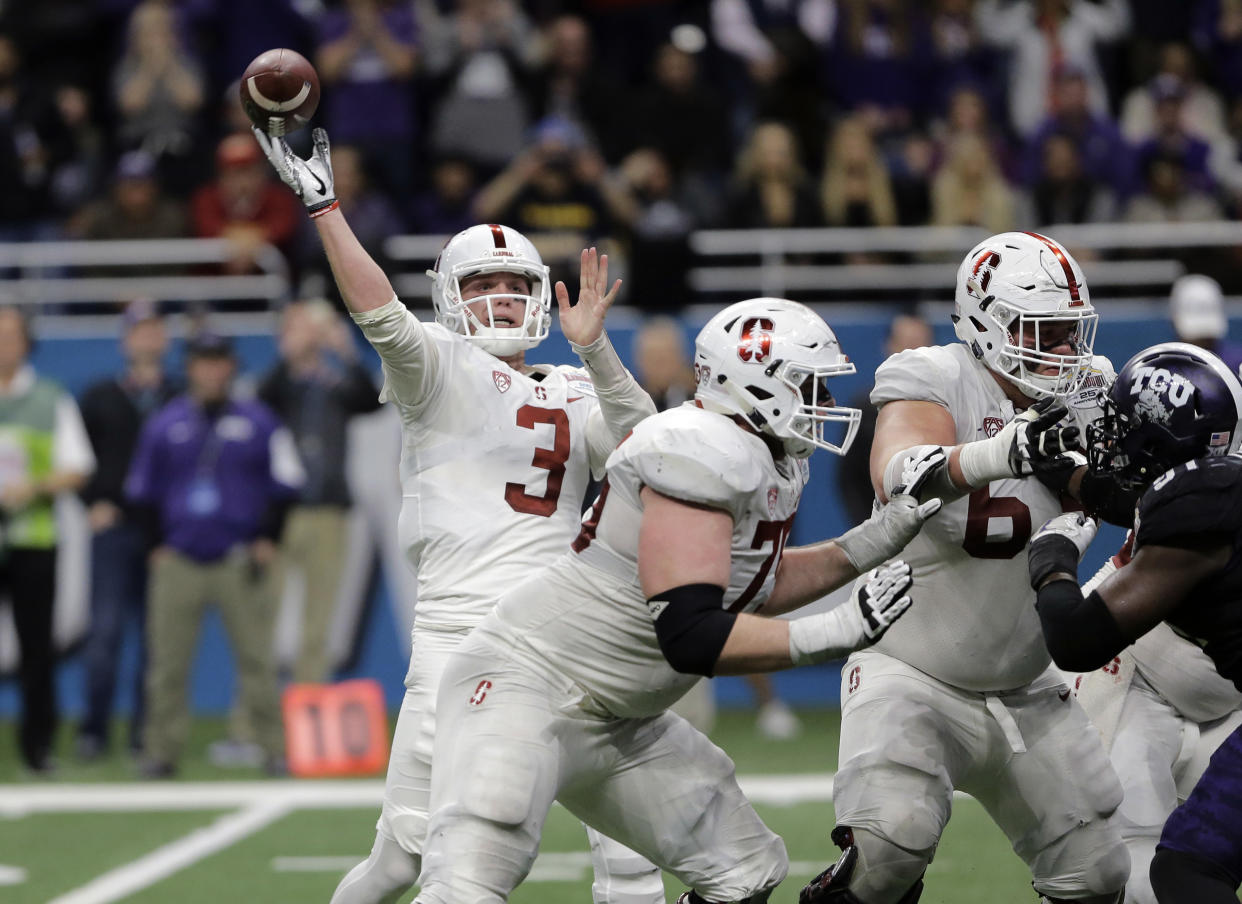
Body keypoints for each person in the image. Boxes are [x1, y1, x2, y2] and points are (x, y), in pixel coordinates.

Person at [410, 297, 944, 904]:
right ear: (757, 384)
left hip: (618, 718)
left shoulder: (759, 456)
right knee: (470, 884)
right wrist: (841, 628)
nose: (821, 399)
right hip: (527, 685)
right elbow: (692, 632)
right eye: (807, 383)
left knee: (744, 871)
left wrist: (863, 546)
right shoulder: (696, 449)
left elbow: (752, 586)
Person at [253, 124, 666, 904]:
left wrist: (599, 352)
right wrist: (325, 210)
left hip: (567, 634)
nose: (499, 296)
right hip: (460, 636)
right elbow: (376, 310)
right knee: (403, 858)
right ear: (450, 296)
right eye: (479, 285)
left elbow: (648, 447)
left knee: (631, 849)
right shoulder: (436, 367)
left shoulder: (579, 385)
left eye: (512, 282)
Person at [806, 231, 1129, 904]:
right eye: (1043, 331)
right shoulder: (932, 375)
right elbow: (900, 478)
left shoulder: (1090, 387)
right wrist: (1004, 452)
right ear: (988, 323)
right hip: (912, 668)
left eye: (1070, 332)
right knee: (889, 848)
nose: (1064, 351)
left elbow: (1124, 498)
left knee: (1099, 875)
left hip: (1025, 680)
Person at [1025, 342, 1242, 903]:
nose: (1110, 437)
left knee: (1174, 873)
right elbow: (1148, 500)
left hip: (1183, 678)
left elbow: (1075, 640)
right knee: (1174, 863)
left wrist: (1051, 562)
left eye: (1125, 426)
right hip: (1199, 688)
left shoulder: (1200, 505)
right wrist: (1080, 481)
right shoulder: (1217, 479)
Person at [125, 333, 304, 777]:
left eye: (218, 361)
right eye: (202, 362)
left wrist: (268, 536)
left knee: (257, 658)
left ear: (231, 366)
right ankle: (161, 751)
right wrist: (155, 546)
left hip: (237, 556)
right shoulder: (166, 423)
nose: (210, 370)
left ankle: (273, 747)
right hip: (180, 557)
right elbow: (142, 491)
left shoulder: (260, 421)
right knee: (166, 662)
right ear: (190, 368)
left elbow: (286, 482)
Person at [1066, 532, 1242, 904]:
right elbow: (1125, 570)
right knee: (1131, 868)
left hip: (1230, 698)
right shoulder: (1194, 496)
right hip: (1138, 674)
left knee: (1192, 866)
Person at [75, 300, 181, 761]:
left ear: (165, 338)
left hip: (165, 534)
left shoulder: (181, 395)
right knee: (104, 635)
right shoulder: (99, 396)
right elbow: (77, 459)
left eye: (155, 329)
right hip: (114, 528)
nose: (147, 338)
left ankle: (145, 732)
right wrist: (92, 503)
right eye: (139, 330)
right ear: (125, 340)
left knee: (158, 639)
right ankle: (93, 730)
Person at [257, 299, 381, 683]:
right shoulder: (277, 384)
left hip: (328, 511)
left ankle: (308, 711)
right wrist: (288, 357)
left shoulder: (333, 384)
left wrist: (345, 350)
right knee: (263, 619)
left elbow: (370, 400)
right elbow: (264, 400)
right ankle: (255, 725)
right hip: (278, 514)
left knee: (319, 619)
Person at [0, 305, 95, 773]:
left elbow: (77, 468)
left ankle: (38, 747)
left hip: (33, 537)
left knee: (36, 647)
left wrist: (31, 488)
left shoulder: (49, 397)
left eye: (11, 335)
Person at [1168, 274, 1242, 377]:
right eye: (1196, 337)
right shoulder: (1161, 365)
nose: (1202, 342)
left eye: (1206, 337)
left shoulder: (1238, 361)